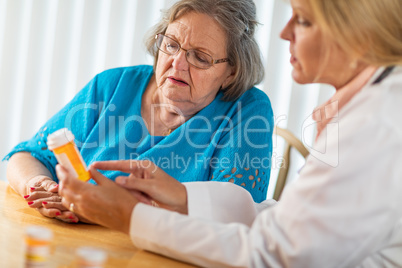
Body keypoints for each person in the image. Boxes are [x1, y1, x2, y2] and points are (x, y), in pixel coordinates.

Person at [58, 0, 402, 266]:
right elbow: (293, 225)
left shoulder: (377, 124)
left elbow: (275, 256)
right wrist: (183, 198)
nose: (284, 33)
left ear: (360, 34)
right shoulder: (371, 105)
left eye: (303, 19)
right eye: (172, 45)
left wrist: (133, 218)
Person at [4, 0, 274, 223]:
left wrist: (105, 209)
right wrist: (41, 187)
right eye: (171, 45)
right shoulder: (111, 86)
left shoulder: (248, 110)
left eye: (200, 57)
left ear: (232, 72)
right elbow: (28, 155)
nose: (177, 63)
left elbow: (234, 217)